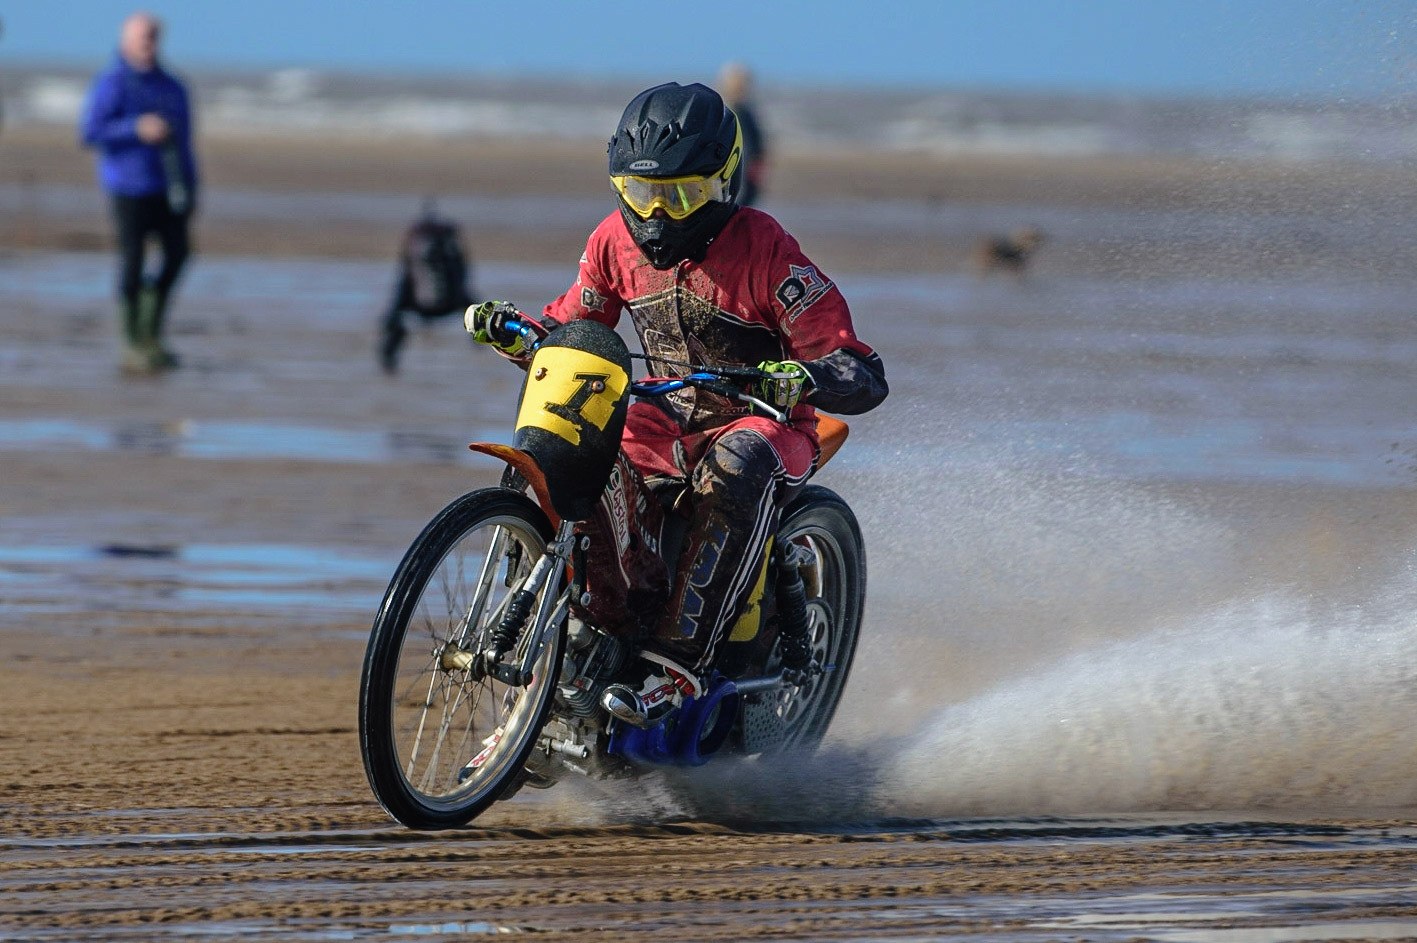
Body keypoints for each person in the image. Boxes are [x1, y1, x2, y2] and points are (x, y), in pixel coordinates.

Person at [466, 82, 887, 728]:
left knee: (738, 460)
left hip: (764, 424)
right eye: (642, 195)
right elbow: (572, 326)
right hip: (659, 418)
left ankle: (676, 669)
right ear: (618, 189)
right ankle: (592, 626)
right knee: (580, 438)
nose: (658, 215)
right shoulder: (612, 243)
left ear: (725, 183)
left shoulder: (770, 251)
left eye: (681, 195)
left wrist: (799, 378)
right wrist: (519, 334)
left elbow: (857, 369)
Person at [80, 11, 197, 374]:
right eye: (142, 36)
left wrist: (192, 187)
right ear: (126, 39)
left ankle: (151, 334)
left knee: (178, 254)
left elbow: (185, 145)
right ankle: (130, 342)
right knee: (133, 259)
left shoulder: (172, 86)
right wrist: (135, 128)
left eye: (153, 36)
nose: (148, 43)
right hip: (127, 185)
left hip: (168, 186)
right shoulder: (111, 82)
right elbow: (90, 132)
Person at [377, 200, 477, 374]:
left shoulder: (415, 246)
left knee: (393, 318)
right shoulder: (449, 246)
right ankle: (485, 345)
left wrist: (391, 315)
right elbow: (462, 273)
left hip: (425, 303)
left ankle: (388, 360)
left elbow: (405, 282)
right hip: (451, 302)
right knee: (479, 311)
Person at [717, 62, 768, 207]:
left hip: (750, 170)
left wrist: (757, 165)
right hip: (735, 171)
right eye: (736, 83)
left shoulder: (746, 111)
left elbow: (756, 143)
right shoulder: (727, 111)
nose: (741, 87)